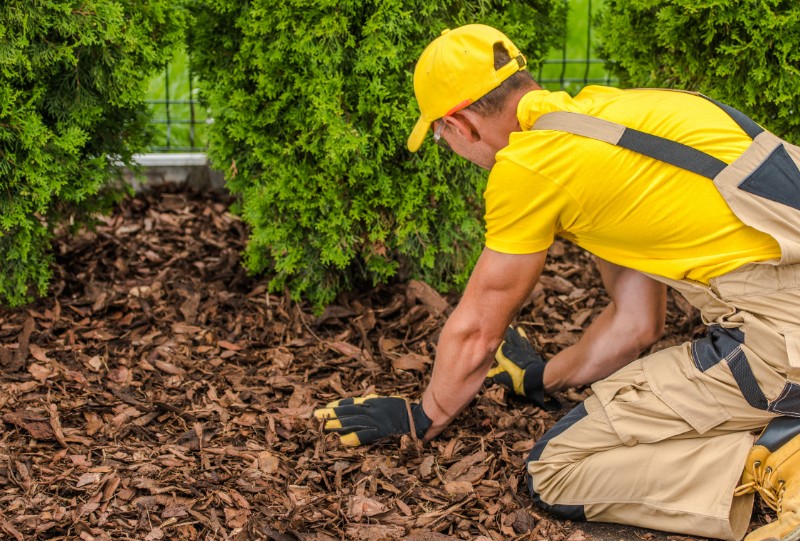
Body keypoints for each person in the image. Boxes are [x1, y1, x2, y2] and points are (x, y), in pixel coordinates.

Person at [313, 24, 800, 541]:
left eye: (438, 133)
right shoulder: (612, 119)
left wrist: (424, 414)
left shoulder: (528, 167)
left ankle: (778, 455)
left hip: (784, 342)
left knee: (557, 471)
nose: (446, 143)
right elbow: (637, 324)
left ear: (461, 124)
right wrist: (540, 379)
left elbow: (477, 331)